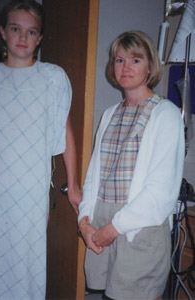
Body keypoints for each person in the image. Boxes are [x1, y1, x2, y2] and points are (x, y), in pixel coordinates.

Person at [0, 1, 81, 299]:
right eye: (15, 29)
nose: (23, 38)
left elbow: (65, 134)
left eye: (31, 31)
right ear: (3, 33)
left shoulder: (52, 78)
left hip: (28, 191)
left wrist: (74, 186)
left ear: (39, 38)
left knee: (23, 267)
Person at [78, 30, 185, 300]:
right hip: (102, 222)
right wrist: (84, 222)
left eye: (135, 60)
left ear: (150, 67)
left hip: (137, 229)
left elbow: (160, 192)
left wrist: (111, 230)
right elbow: (94, 177)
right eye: (119, 60)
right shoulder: (109, 114)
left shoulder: (166, 114)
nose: (125, 67)